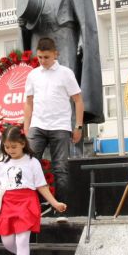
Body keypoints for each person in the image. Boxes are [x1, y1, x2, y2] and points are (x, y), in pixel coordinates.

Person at [17, 0, 104, 126]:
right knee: (40, 89)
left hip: (66, 39)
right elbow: (25, 27)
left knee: (67, 86)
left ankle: (72, 133)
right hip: (37, 41)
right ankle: (39, 136)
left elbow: (86, 23)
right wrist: (23, 25)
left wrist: (82, 42)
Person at [0, 125, 67, 255]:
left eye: (14, 146)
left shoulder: (32, 162)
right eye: (6, 147)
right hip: (7, 202)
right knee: (7, 241)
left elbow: (41, 185)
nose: (10, 150)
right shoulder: (1, 164)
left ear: (22, 143)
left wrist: (55, 203)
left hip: (27, 201)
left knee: (22, 240)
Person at [23, 37, 83, 223]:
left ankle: (61, 210)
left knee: (61, 168)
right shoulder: (33, 74)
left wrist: (78, 126)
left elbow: (78, 100)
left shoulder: (66, 73)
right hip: (37, 125)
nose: (42, 61)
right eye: (40, 57)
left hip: (60, 126)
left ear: (55, 54)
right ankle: (34, 207)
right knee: (28, 165)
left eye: (46, 57)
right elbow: (29, 102)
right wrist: (26, 127)